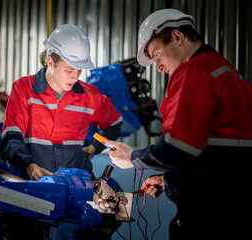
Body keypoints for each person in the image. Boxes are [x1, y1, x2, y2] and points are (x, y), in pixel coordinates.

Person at [106, 8, 252, 240]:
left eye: (157, 55)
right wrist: (169, 179)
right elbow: (216, 155)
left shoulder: (193, 72)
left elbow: (178, 149)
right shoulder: (230, 74)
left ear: (177, 37)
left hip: (205, 217)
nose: (159, 67)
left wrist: (132, 158)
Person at [0, 23, 122, 181]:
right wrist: (28, 165)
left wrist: (93, 148)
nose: (75, 76)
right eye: (69, 70)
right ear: (50, 62)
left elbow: (114, 123)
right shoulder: (24, 89)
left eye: (79, 70)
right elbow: (11, 137)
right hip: (32, 186)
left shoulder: (90, 96)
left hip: (76, 188)